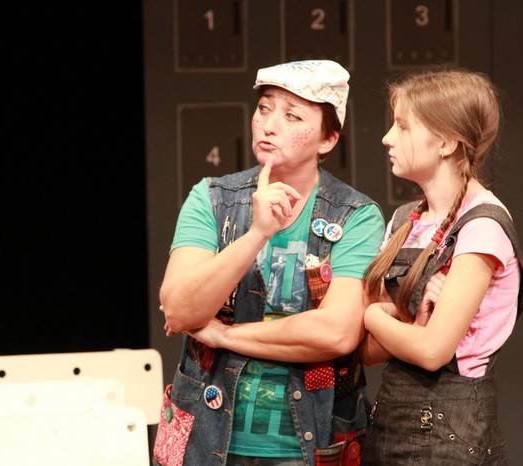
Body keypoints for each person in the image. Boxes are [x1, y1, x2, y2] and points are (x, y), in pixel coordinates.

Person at [152, 60, 385, 466]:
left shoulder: (355, 216)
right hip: (206, 440)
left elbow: (336, 333)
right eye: (264, 108)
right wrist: (256, 234)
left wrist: (222, 335)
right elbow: (179, 310)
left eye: (292, 116)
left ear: (328, 139)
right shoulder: (212, 198)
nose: (269, 125)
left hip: (311, 444)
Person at [359, 68, 523, 465]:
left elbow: (433, 351)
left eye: (403, 126)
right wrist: (410, 322)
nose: (387, 137)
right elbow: (369, 353)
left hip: (451, 436)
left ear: (447, 142)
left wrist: (374, 315)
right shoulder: (404, 220)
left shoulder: (482, 224)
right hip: (389, 424)